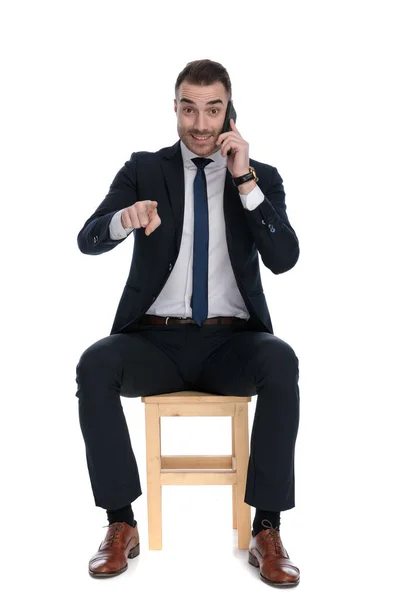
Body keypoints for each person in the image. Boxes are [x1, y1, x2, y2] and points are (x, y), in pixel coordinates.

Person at [75, 58, 301, 586]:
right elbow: (87, 238)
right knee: (94, 366)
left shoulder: (259, 177)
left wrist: (244, 179)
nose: (200, 125)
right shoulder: (143, 169)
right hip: (154, 342)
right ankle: (120, 522)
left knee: (281, 360)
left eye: (213, 110)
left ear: (230, 112)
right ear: (174, 108)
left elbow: (285, 256)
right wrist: (120, 222)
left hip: (232, 344)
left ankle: (266, 527)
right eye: (189, 109)